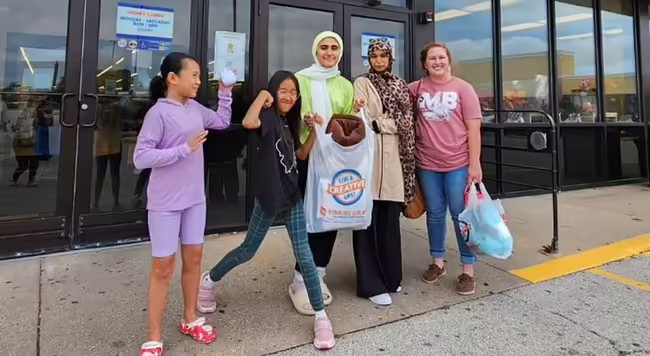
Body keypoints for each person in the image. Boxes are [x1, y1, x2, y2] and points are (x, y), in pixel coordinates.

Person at [197, 70, 336, 350]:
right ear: (274, 92)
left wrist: (317, 133)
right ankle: (208, 281)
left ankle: (321, 318)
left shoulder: (287, 121)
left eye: (293, 93)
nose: (288, 97)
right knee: (248, 250)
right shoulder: (269, 119)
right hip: (269, 200)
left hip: (292, 199)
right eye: (283, 91)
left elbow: (301, 156)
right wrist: (262, 95)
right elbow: (248, 121)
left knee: (305, 256)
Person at [134, 52, 233, 356]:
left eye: (201, 76)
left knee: (193, 261)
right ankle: (153, 337)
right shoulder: (158, 114)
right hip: (164, 203)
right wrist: (183, 149)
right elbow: (140, 158)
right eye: (194, 75)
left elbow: (221, 122)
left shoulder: (195, 108)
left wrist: (225, 93)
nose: (198, 81)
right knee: (163, 268)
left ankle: (190, 318)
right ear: (172, 78)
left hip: (195, 201)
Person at [289, 31, 363, 314]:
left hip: (335, 159)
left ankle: (318, 273)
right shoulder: (300, 79)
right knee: (305, 217)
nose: (329, 52)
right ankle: (299, 277)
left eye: (334, 48)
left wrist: (355, 112)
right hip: (306, 157)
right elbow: (289, 112)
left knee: (329, 216)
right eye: (324, 47)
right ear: (315, 50)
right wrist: (306, 119)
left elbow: (347, 122)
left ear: (340, 52)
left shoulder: (345, 85)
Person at [408, 43, 483, 296]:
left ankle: (468, 270)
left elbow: (474, 129)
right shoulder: (416, 89)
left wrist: (475, 164)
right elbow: (390, 99)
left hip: (457, 164)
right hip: (427, 164)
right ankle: (437, 262)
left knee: (461, 216)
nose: (437, 62)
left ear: (448, 60)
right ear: (424, 63)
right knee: (435, 215)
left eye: (441, 57)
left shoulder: (464, 88)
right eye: (432, 58)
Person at [352, 39, 416, 305]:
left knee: (389, 222)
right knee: (366, 222)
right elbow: (365, 120)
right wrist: (388, 123)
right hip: (372, 158)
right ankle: (369, 284)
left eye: (383, 56)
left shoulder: (401, 85)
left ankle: (391, 278)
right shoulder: (362, 82)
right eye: (374, 56)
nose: (379, 60)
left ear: (391, 58)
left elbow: (408, 121)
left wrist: (384, 123)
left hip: (396, 163)